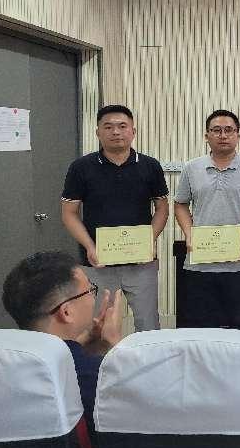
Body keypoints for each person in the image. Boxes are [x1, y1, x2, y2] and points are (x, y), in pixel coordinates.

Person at [61, 104, 168, 331]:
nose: (116, 132)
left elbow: (162, 209)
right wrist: (89, 246)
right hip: (97, 262)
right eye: (108, 127)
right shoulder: (81, 167)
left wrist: (149, 240)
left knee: (148, 323)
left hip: (141, 263)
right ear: (98, 132)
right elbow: (69, 213)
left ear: (133, 131)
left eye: (122, 126)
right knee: (98, 325)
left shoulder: (150, 166)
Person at [1, 251, 123, 429]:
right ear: (66, 312)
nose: (93, 296)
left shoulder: (4, 371)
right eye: (90, 290)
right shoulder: (98, 377)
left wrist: (81, 345)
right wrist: (116, 352)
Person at [174, 109, 240, 329]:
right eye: (216, 130)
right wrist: (189, 234)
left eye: (229, 130)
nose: (223, 135)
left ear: (238, 135)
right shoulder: (191, 168)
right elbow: (180, 204)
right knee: (201, 326)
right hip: (200, 264)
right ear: (206, 136)